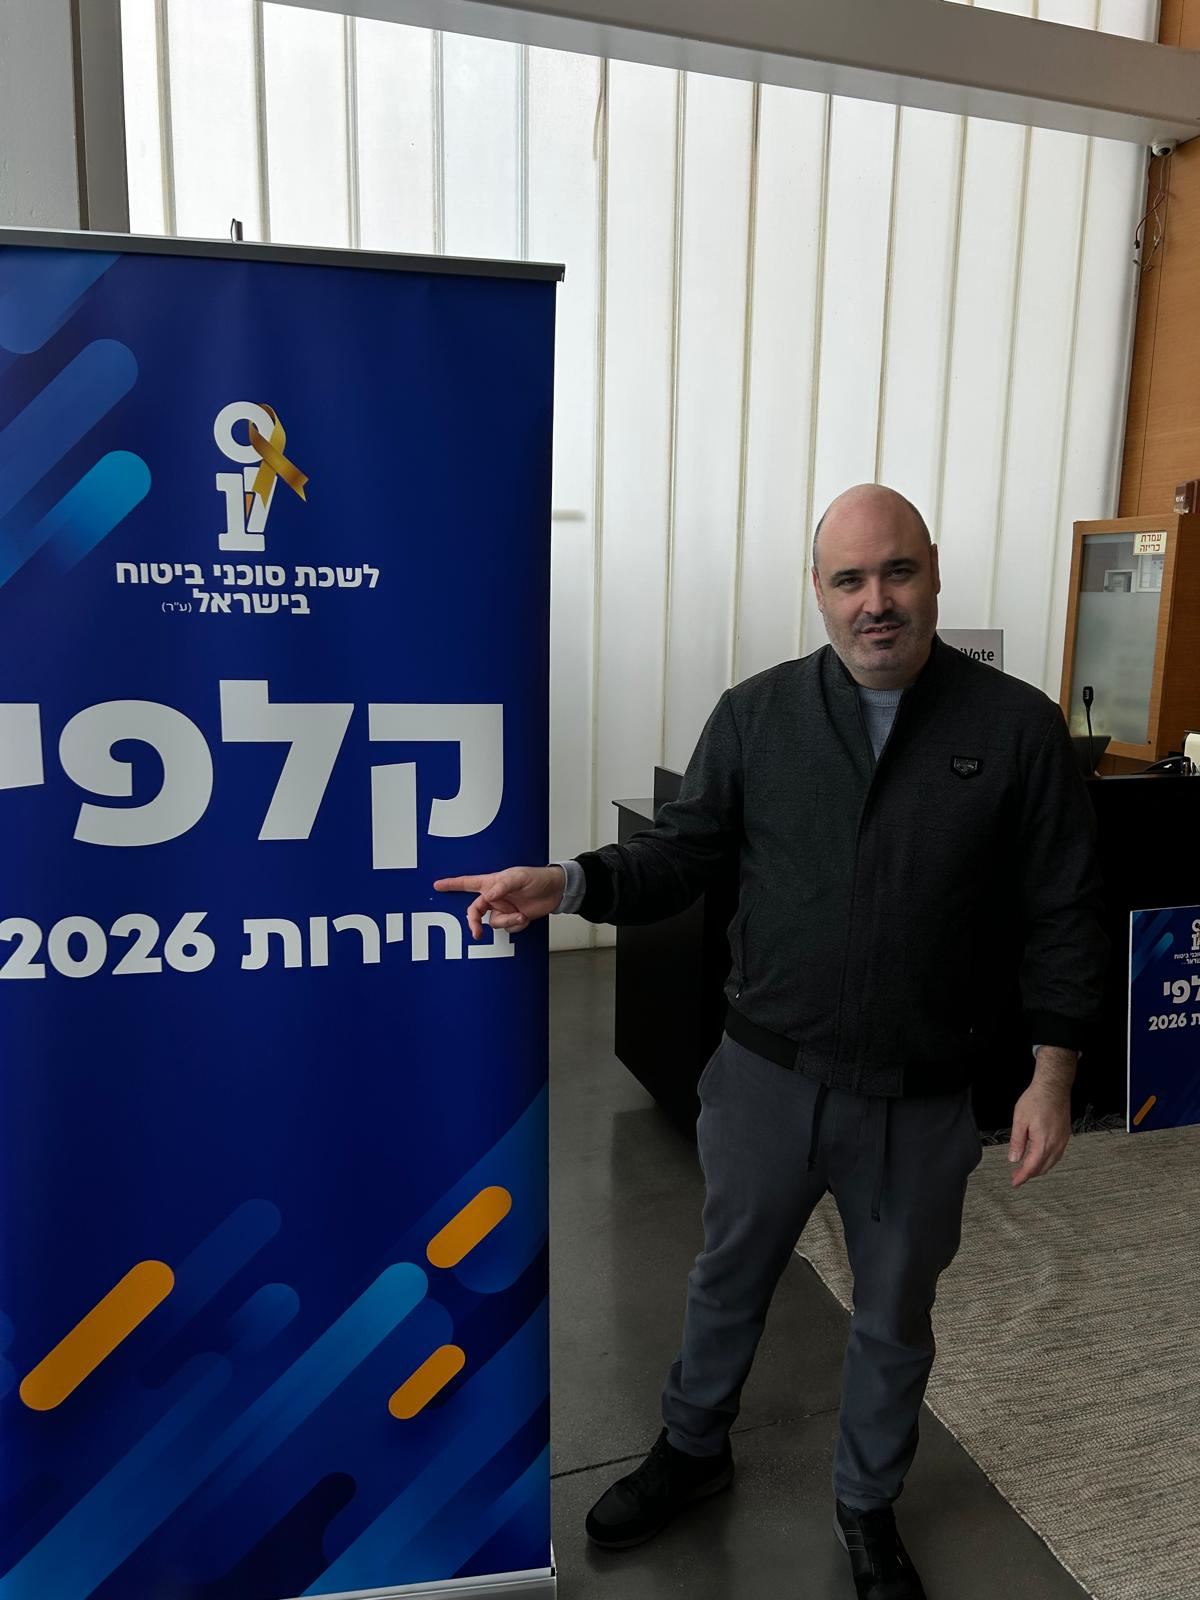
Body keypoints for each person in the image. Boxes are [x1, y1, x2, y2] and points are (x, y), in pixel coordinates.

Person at [435, 484, 1107, 1600]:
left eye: (896, 572)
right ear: (820, 593)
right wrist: (571, 881)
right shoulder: (757, 715)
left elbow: (1063, 909)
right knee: (725, 1280)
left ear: (934, 573)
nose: (875, 600)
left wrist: (1053, 1070)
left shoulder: (1017, 728)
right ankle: (692, 1447)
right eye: (850, 580)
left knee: (895, 1318)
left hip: (921, 1094)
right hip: (765, 1078)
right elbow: (682, 855)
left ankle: (866, 1504)